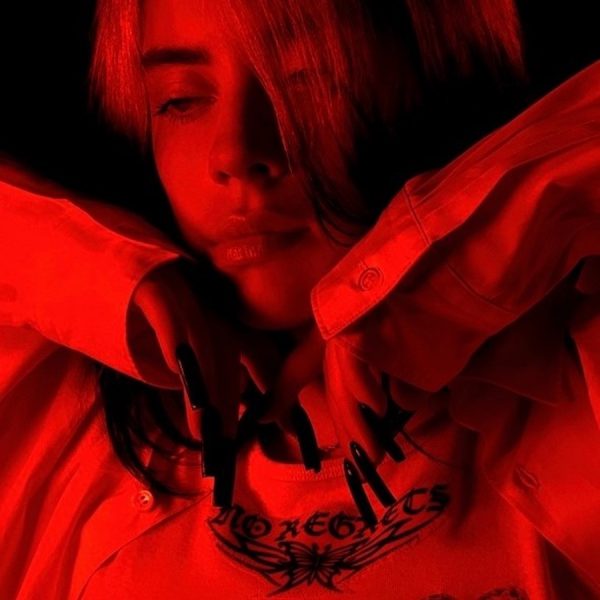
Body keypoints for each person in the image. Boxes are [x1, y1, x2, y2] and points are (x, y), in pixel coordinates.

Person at [1, 0, 599, 598]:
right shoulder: (57, 434)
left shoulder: (575, 384)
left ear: (436, 72)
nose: (235, 154)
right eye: (180, 99)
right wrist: (108, 275)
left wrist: (433, 279)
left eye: (311, 78)